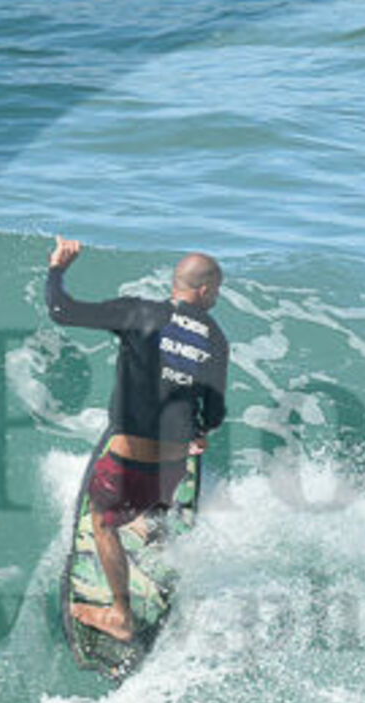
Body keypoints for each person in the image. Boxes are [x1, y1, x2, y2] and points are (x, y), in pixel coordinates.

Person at [43, 235, 230, 642]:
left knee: (101, 521)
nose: (216, 298)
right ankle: (151, 524)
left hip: (128, 464)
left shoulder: (139, 312)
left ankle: (121, 615)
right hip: (174, 463)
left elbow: (61, 311)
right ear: (203, 290)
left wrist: (58, 269)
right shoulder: (215, 338)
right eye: (216, 290)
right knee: (162, 486)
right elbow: (214, 411)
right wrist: (201, 433)